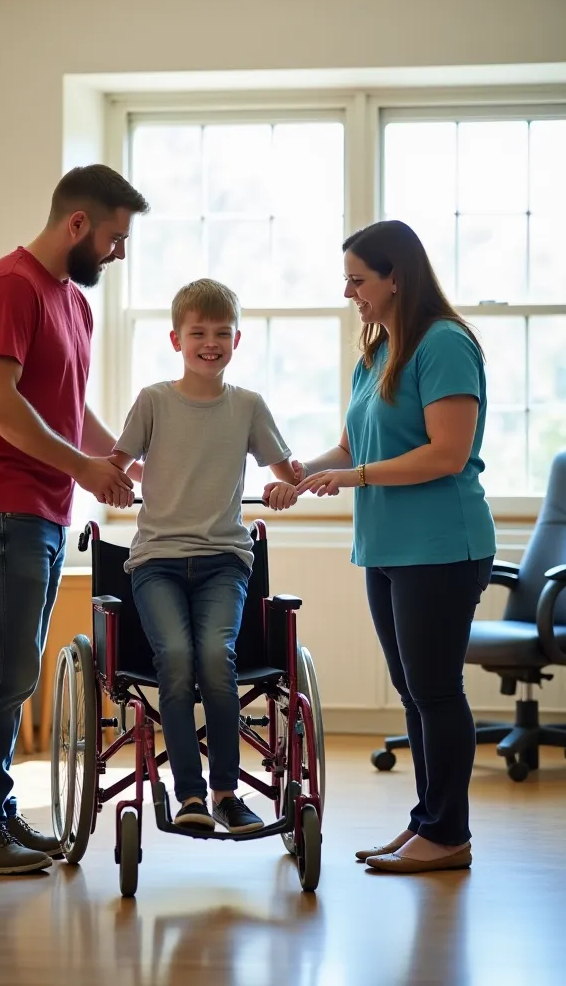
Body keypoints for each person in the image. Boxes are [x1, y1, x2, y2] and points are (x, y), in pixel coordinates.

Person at [265, 219, 496, 873]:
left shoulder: (445, 345)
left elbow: (447, 453)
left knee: (435, 689)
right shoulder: (375, 354)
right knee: (413, 689)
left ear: (397, 277)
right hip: (389, 545)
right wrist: (303, 473)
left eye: (358, 279)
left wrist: (353, 476)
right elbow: (349, 446)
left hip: (443, 545)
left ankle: (448, 835)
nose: (348, 292)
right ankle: (428, 823)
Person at [0, 165, 149, 875]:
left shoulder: (73, 303)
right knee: (2, 670)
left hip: (41, 509)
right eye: (117, 238)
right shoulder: (10, 287)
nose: (120, 252)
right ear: (78, 225)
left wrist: (118, 459)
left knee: (6, 667)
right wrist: (83, 470)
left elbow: (66, 410)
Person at [107, 278, 299, 833]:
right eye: (198, 333)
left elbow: (287, 474)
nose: (209, 342)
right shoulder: (153, 401)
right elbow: (116, 462)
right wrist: (111, 480)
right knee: (176, 658)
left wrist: (290, 487)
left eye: (221, 333)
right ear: (176, 339)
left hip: (223, 562)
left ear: (237, 340)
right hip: (157, 563)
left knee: (216, 659)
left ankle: (225, 794)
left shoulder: (247, 407)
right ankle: (189, 795)